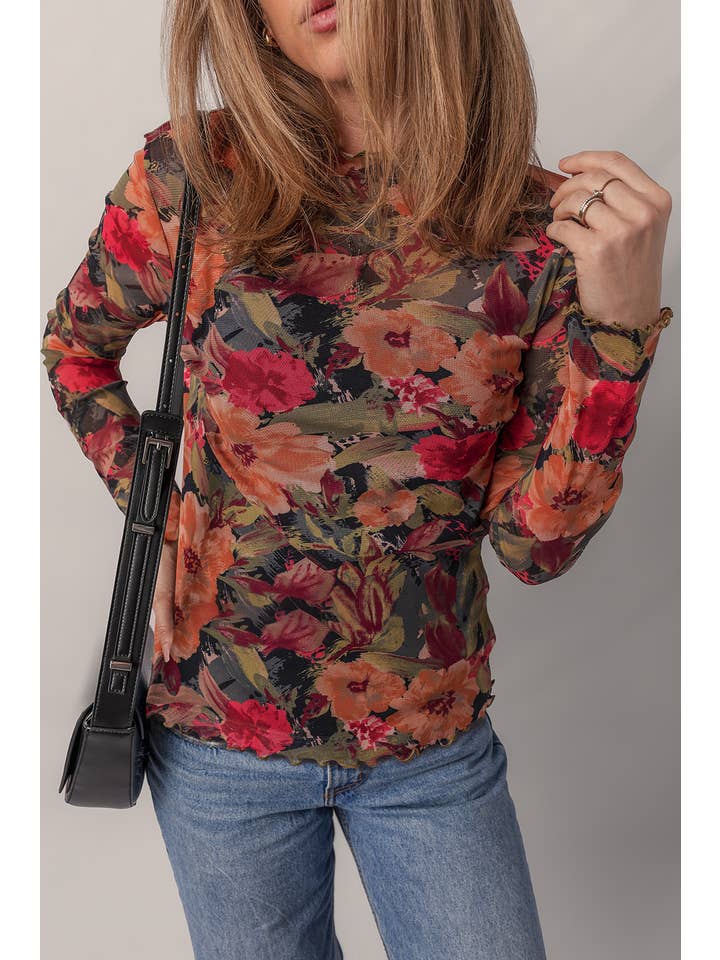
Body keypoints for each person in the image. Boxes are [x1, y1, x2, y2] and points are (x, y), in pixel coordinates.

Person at [40, 1, 673, 957]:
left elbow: (535, 548)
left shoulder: (539, 230)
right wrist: (156, 508)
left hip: (431, 747)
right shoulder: (195, 174)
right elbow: (75, 351)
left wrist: (620, 331)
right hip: (218, 733)